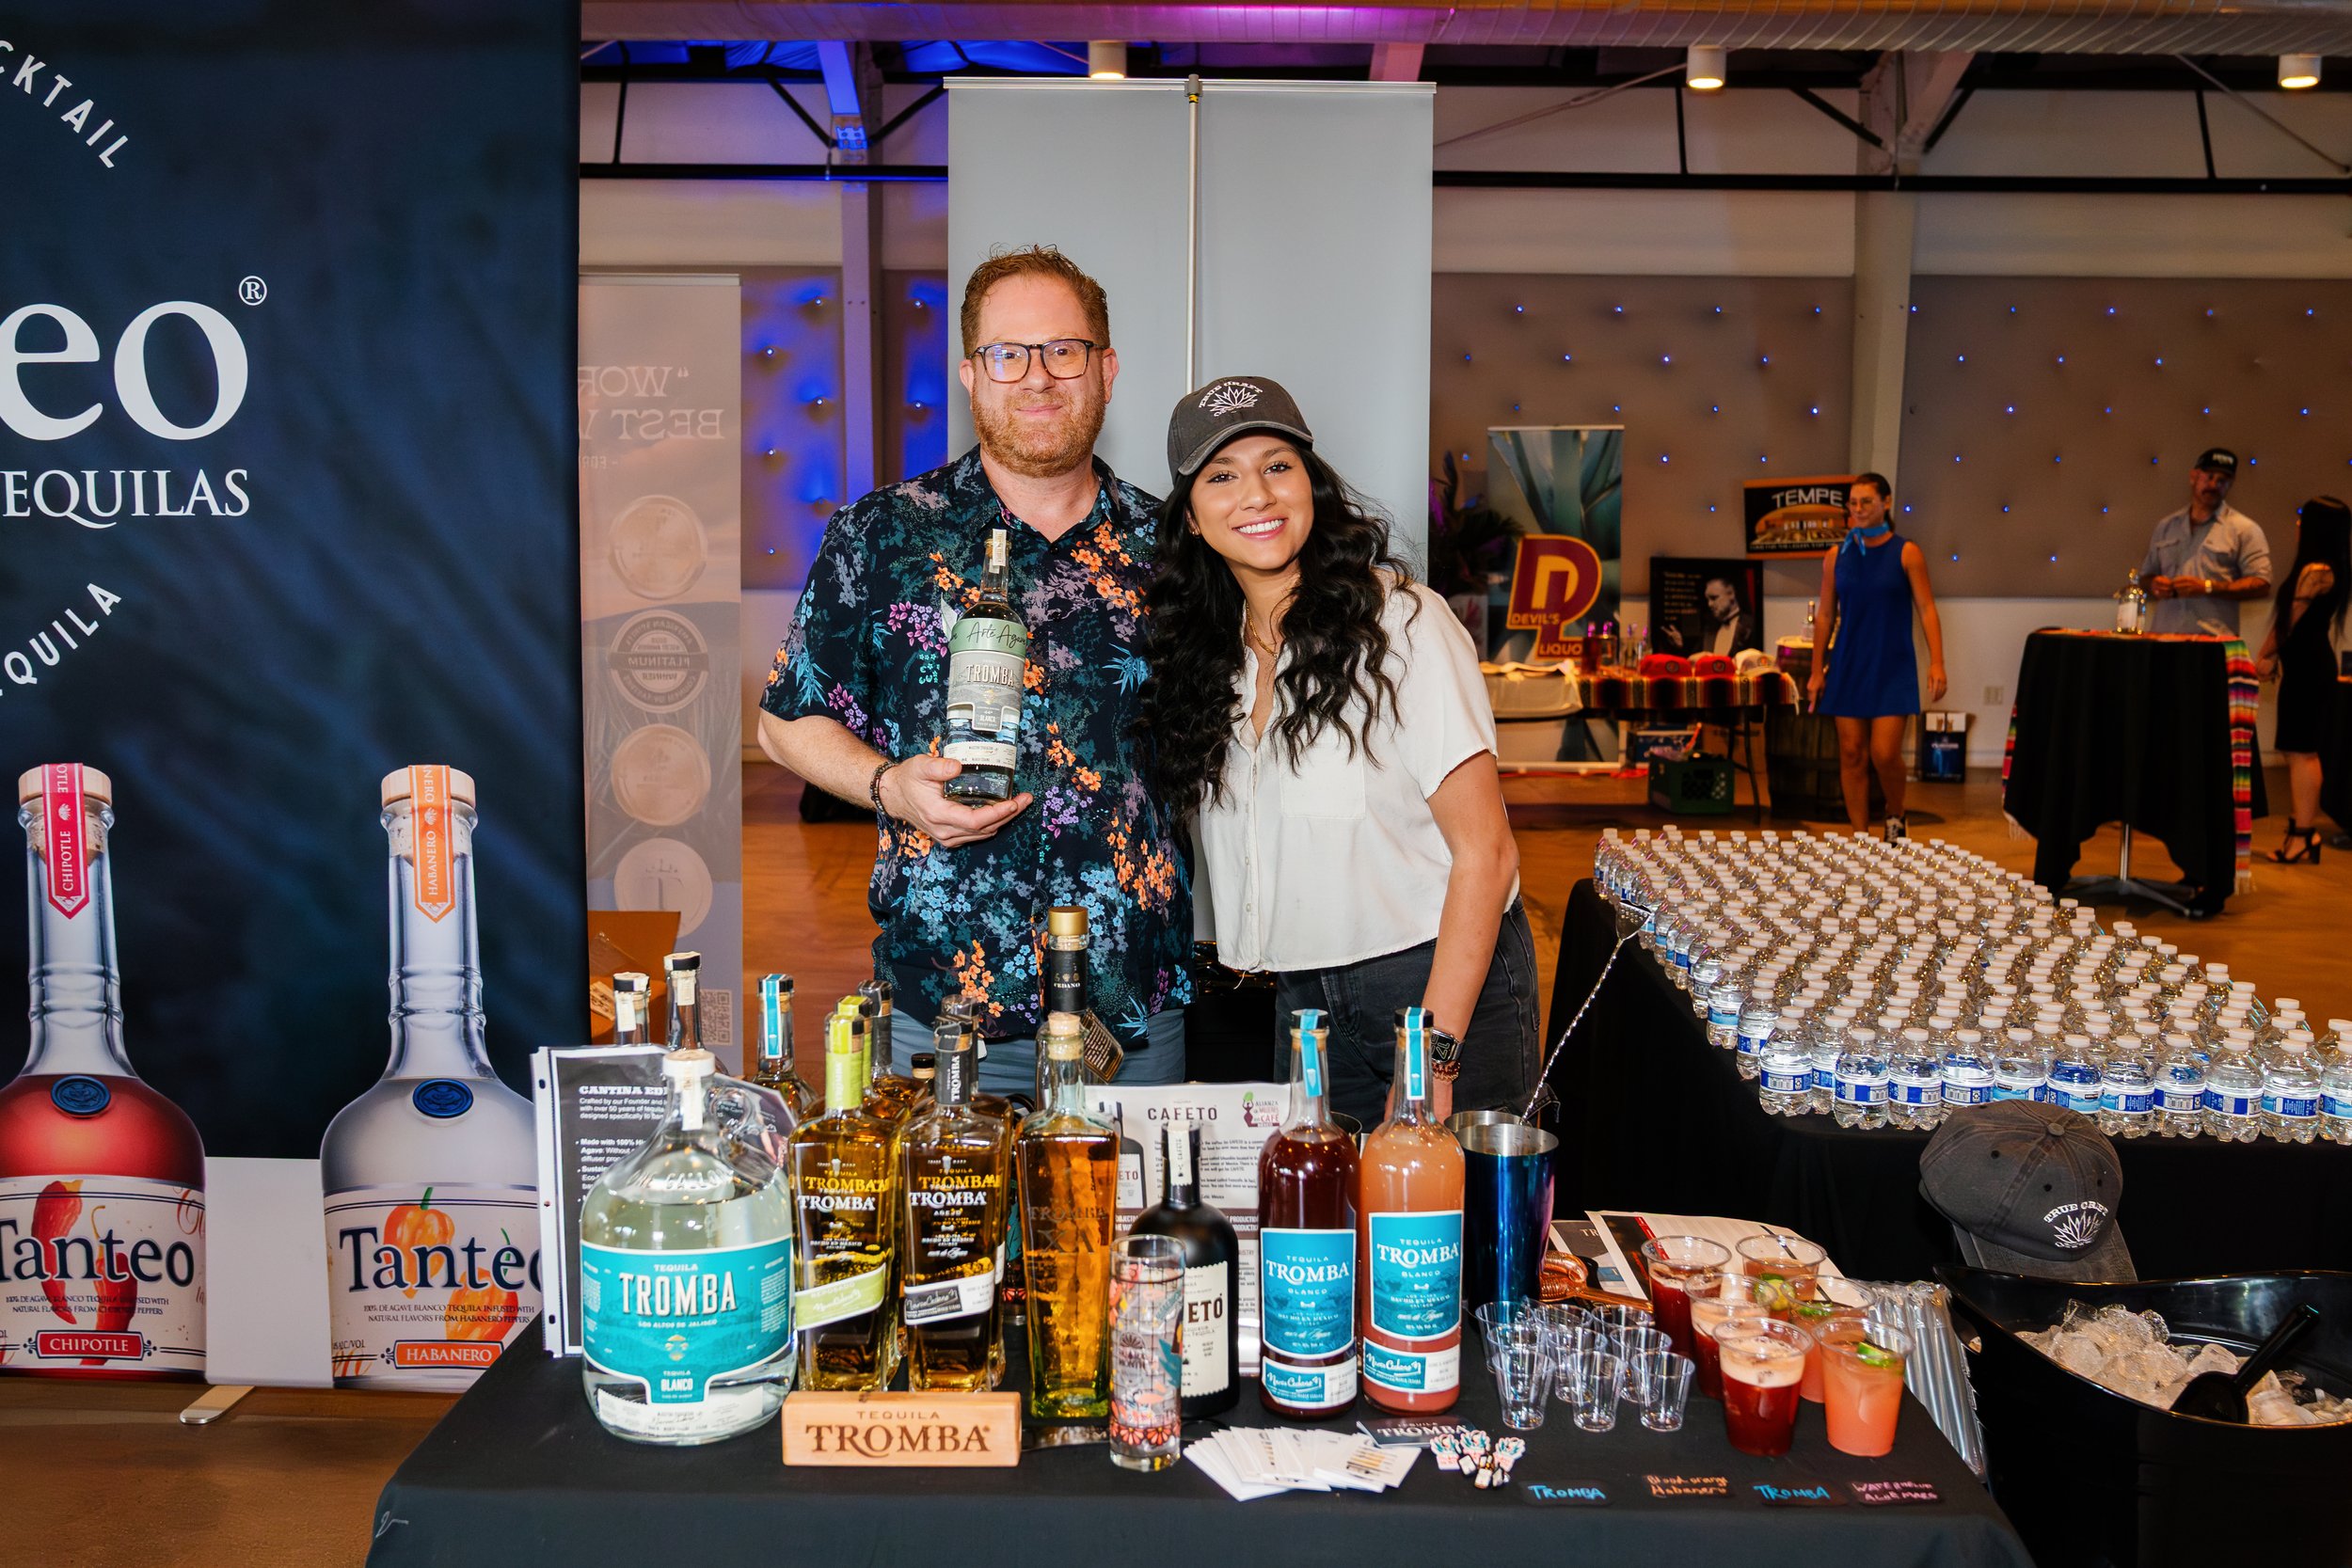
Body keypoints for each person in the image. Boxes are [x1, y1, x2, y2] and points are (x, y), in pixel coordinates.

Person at [757, 245, 1192, 1095]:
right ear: (970, 376)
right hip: (944, 1009)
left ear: (1106, 371)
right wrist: (888, 785)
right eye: (1007, 354)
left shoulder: (1175, 548)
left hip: (1131, 1015)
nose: (1038, 377)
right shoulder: (882, 535)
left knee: (1132, 1194)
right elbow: (783, 722)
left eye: (1064, 350)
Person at [1136, 375, 1536, 1129]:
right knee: (1325, 1199)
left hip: (1437, 986)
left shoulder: (1404, 625)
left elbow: (1487, 854)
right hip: (1301, 1004)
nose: (1256, 494)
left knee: (1448, 1204)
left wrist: (1432, 1056)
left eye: (1277, 466)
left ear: (1312, 485)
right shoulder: (1206, 661)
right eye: (1222, 476)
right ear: (1190, 517)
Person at [1806, 472, 1947, 837]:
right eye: (1853, 503)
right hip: (1848, 663)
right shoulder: (1836, 556)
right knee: (1852, 753)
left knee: (1884, 753)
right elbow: (1825, 615)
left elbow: (1927, 608)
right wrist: (1817, 671)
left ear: (1886, 502)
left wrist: (1937, 662)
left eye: (1866, 501)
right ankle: (1860, 837)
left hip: (1892, 665)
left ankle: (1895, 812)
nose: (1858, 509)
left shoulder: (1907, 552)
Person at [2254, 496, 2352, 863]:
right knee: (2299, 751)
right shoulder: (2328, 568)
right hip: (2306, 667)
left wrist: (2265, 655)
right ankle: (2301, 831)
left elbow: (2288, 622)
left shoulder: (2317, 571)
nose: (2297, 525)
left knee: (2302, 753)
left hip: (2309, 670)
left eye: (2303, 520)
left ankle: (2303, 834)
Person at [2138, 447, 2272, 638]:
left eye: (2222, 481)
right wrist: (2154, 584)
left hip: (2213, 641)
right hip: (2164, 638)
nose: (2214, 485)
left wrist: (2207, 587)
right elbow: (2145, 577)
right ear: (2193, 477)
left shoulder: (2245, 529)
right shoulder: (2166, 526)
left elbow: (2262, 583)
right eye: (2209, 477)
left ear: (2230, 484)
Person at [1662, 573, 1761, 657]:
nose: (1710, 604)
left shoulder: (1752, 625)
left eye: (1714, 598)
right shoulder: (1708, 629)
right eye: (1708, 600)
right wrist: (1680, 646)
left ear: (1731, 594)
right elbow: (1695, 661)